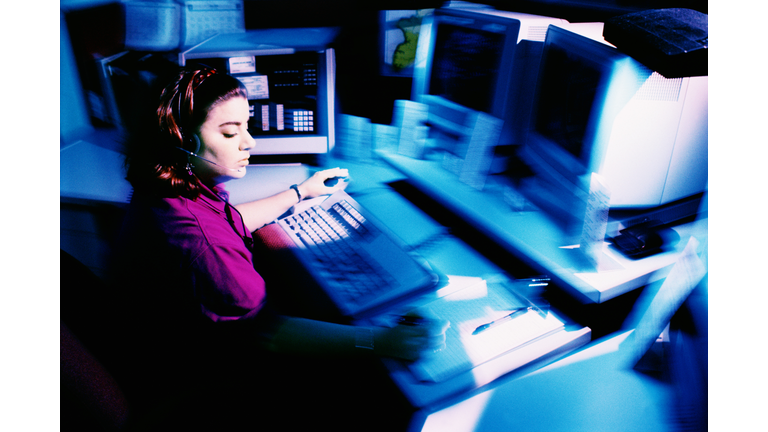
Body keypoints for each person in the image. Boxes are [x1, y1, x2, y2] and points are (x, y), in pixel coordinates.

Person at [109, 67, 447, 430]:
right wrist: (384, 342)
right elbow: (269, 334)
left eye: (246, 126)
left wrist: (299, 194)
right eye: (230, 132)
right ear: (184, 142)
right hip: (209, 384)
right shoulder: (203, 244)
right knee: (374, 389)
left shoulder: (169, 193)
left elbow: (228, 222)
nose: (249, 142)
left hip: (162, 350)